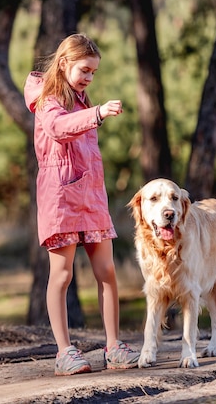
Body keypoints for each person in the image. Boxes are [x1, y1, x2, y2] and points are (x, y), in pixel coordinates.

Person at [23, 33, 140, 376]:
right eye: (85, 70)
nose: (89, 77)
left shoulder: (80, 98)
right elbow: (59, 129)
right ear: (64, 64)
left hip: (90, 196)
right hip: (60, 197)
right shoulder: (46, 99)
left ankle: (114, 346)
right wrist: (98, 113)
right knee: (62, 274)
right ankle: (64, 352)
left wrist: (93, 109)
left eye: (93, 72)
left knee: (107, 272)